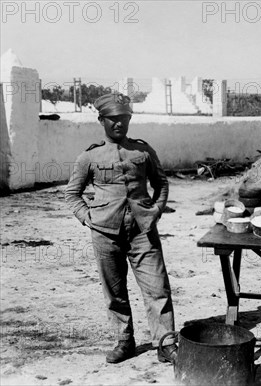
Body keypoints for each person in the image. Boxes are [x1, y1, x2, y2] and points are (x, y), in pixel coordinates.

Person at [65, 93, 177, 364]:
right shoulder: (89, 157)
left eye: (124, 119)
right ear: (101, 120)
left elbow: (161, 183)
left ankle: (166, 343)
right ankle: (124, 342)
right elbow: (72, 194)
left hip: (143, 229)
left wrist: (156, 211)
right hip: (105, 232)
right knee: (114, 292)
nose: (119, 124)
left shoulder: (143, 151)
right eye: (113, 119)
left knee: (157, 287)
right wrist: (88, 218)